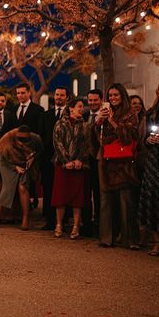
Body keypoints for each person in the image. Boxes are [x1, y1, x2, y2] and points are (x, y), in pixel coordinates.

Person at [96, 83, 140, 249]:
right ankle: (106, 238)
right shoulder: (105, 112)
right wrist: (100, 121)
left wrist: (112, 121)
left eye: (116, 95)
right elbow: (96, 137)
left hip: (123, 161)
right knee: (106, 199)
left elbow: (129, 137)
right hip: (106, 159)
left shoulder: (131, 114)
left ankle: (130, 239)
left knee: (126, 200)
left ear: (122, 96)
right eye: (110, 96)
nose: (113, 98)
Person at [51, 98, 91, 239]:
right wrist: (66, 160)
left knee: (77, 198)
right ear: (71, 108)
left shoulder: (85, 125)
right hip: (63, 165)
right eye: (79, 106)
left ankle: (75, 226)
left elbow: (86, 145)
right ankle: (59, 225)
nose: (81, 109)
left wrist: (79, 159)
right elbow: (57, 142)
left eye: (82, 107)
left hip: (79, 166)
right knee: (60, 196)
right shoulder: (60, 124)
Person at [0, 125, 43, 230]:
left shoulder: (35, 139)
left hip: (25, 162)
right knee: (7, 187)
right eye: (20, 139)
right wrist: (14, 167)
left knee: (22, 187)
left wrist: (33, 158)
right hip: (7, 164)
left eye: (25, 140)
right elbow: (3, 158)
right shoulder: (7, 140)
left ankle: (25, 218)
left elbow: (41, 150)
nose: (22, 142)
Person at [138, 78, 159, 256]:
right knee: (153, 200)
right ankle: (157, 242)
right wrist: (148, 139)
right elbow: (145, 135)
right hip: (154, 162)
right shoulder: (152, 111)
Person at [40, 86, 69, 231]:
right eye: (57, 95)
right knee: (49, 189)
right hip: (48, 159)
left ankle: (66, 220)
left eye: (62, 95)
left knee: (65, 189)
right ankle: (50, 220)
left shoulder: (71, 114)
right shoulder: (46, 115)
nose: (58, 97)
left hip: (66, 159)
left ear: (66, 98)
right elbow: (43, 137)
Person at [82, 88, 104, 234]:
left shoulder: (106, 116)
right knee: (84, 193)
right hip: (84, 160)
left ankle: (99, 223)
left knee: (99, 193)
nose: (93, 103)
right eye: (90, 100)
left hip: (100, 159)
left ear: (101, 100)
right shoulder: (83, 115)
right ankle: (86, 223)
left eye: (95, 100)